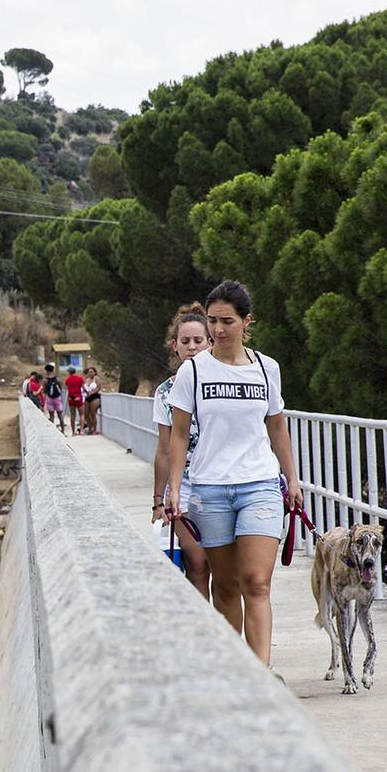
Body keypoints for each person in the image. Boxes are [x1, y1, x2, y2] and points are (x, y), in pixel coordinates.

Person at [161, 279, 301, 668]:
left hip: (259, 485)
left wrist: (293, 479)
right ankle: (233, 670)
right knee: (225, 585)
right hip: (210, 489)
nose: (218, 330)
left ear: (246, 321)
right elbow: (177, 434)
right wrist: (174, 489)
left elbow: (277, 426)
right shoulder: (193, 372)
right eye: (212, 321)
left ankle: (261, 672)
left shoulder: (266, 369)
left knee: (256, 582)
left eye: (226, 321)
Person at [152, 305, 213, 598]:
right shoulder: (165, 392)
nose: (191, 348)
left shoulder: (222, 382)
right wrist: (158, 501)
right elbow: (164, 450)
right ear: (174, 346)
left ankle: (228, 637)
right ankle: (205, 634)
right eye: (185, 341)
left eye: (198, 341)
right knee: (197, 564)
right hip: (184, 486)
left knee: (226, 571)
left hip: (221, 480)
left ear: (211, 342)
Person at [40, 368, 68, 433]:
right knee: (60, 415)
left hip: (49, 399)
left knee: (51, 416)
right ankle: (63, 431)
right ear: (53, 371)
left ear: (47, 371)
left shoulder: (45, 380)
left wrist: (43, 401)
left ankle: (52, 431)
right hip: (58, 399)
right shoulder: (57, 379)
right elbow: (61, 388)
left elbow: (44, 391)